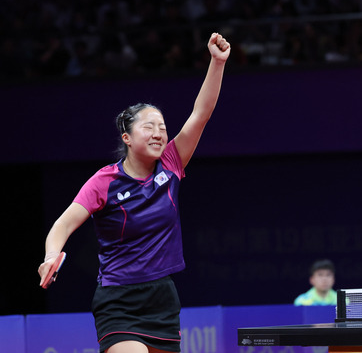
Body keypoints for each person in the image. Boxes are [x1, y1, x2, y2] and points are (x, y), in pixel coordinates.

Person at [38, 32, 230, 353]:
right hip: (119, 300)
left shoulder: (171, 163)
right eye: (148, 127)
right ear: (126, 138)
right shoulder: (105, 181)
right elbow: (64, 224)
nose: (158, 133)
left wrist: (217, 62)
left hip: (162, 298)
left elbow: (201, 114)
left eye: (162, 127)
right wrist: (49, 257)